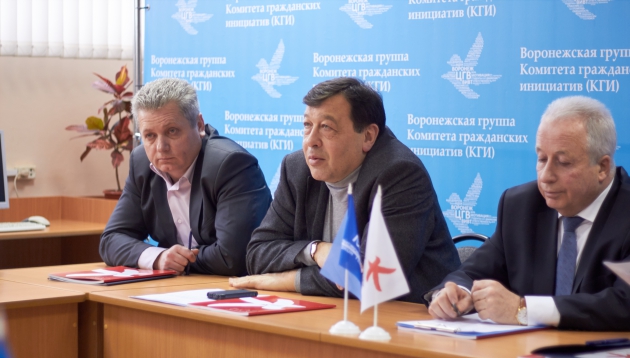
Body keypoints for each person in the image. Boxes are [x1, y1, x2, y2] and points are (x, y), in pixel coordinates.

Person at [230, 77, 460, 303]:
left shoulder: (400, 174)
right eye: (307, 125)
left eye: (326, 127)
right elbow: (258, 253)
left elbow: (370, 277)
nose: (311, 141)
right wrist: (317, 251)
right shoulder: (296, 168)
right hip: (332, 311)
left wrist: (286, 280)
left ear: (368, 136)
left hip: (407, 316)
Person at [428, 96, 630, 331]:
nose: (545, 176)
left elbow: (623, 303)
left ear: (602, 167)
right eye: (542, 158)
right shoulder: (521, 206)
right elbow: (473, 272)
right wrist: (456, 293)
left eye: (563, 162)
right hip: (526, 350)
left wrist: (523, 310)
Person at [100, 78, 272, 275]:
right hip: (183, 285)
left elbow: (232, 258)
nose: (161, 147)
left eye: (172, 131)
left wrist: (176, 261)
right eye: (150, 136)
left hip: (237, 287)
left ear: (199, 125)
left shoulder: (232, 165)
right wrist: (159, 258)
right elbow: (111, 240)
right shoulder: (141, 163)